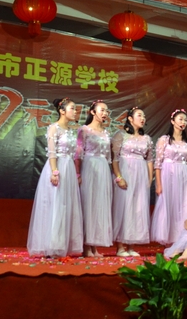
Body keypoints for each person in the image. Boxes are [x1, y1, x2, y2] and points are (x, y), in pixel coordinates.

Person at [27, 98, 83, 258]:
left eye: (75, 109)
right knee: (56, 204)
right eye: (72, 108)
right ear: (62, 111)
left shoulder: (71, 131)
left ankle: (61, 244)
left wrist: (76, 173)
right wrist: (54, 172)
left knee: (66, 205)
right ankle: (51, 245)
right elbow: (52, 152)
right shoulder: (54, 128)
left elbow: (74, 155)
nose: (75, 112)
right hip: (58, 166)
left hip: (69, 168)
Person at [111, 107, 154, 257]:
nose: (142, 118)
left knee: (137, 208)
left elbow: (149, 160)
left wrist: (149, 179)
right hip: (126, 172)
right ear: (130, 118)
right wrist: (119, 177)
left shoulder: (146, 139)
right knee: (124, 207)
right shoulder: (121, 135)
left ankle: (131, 245)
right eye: (139, 115)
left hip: (141, 174)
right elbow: (114, 159)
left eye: (144, 116)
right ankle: (120, 247)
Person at [151, 109, 187, 246]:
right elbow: (157, 164)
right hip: (167, 175)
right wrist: (158, 184)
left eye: (185, 120)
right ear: (172, 121)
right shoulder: (164, 140)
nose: (183, 122)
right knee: (168, 205)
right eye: (180, 119)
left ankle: (181, 238)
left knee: (182, 206)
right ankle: (168, 238)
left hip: (183, 175)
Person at [75, 100, 113, 257]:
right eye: (102, 110)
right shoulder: (84, 130)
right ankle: (86, 246)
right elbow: (78, 154)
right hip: (89, 166)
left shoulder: (106, 133)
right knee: (88, 204)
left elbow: (109, 156)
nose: (105, 113)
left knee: (99, 205)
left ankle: (94, 246)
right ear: (92, 112)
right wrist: (78, 174)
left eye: (106, 111)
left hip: (103, 167)